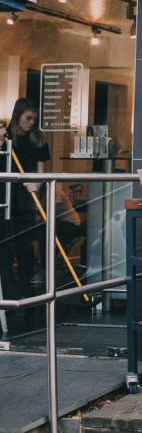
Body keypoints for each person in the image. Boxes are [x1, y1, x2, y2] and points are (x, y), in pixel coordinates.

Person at [3, 99, 51, 300]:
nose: (31, 122)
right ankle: (5, 294)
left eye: (34, 119)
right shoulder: (5, 137)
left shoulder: (37, 139)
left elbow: (42, 173)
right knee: (6, 247)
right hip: (4, 197)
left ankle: (22, 294)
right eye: (28, 118)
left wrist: (37, 184)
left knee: (23, 246)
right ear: (17, 115)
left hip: (26, 199)